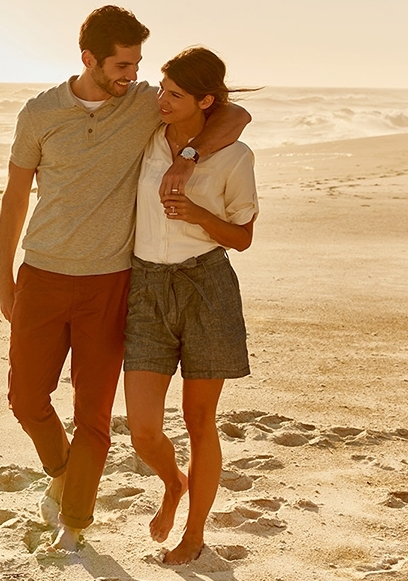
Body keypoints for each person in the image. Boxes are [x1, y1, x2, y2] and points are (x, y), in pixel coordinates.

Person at [0, 7, 251, 552]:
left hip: (112, 281)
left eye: (137, 65)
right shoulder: (40, 113)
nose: (133, 77)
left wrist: (188, 157)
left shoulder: (142, 105)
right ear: (88, 58)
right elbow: (15, 195)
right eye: (122, 66)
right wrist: (3, 273)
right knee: (25, 399)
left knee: (94, 414)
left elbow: (233, 113)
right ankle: (63, 472)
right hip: (42, 271)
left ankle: (74, 522)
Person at [122, 46, 258, 564]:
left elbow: (242, 238)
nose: (162, 100)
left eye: (175, 94)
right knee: (142, 429)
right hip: (146, 286)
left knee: (200, 420)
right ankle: (172, 483)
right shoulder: (148, 139)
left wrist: (199, 214)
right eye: (162, 89)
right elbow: (234, 112)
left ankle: (194, 534)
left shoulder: (236, 157)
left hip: (207, 287)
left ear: (204, 101)